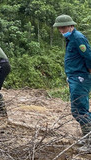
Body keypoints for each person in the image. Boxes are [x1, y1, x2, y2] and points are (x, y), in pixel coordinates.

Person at [53, 14, 91, 152]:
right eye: (60, 28)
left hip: (81, 78)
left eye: (63, 28)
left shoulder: (78, 38)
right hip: (74, 78)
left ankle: (90, 142)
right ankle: (87, 137)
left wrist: (85, 77)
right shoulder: (70, 38)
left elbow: (89, 57)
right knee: (76, 111)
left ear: (71, 25)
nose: (61, 31)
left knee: (81, 109)